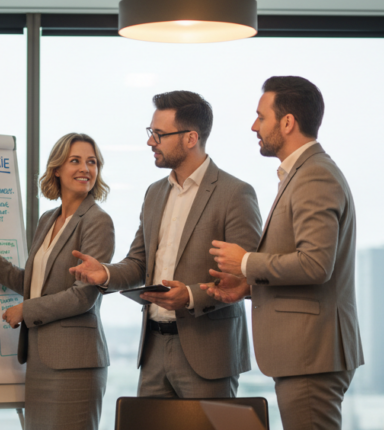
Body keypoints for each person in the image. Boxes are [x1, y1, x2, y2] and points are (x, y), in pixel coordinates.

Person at [205, 76, 363, 430]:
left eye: (261, 117)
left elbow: (314, 264)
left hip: (312, 353)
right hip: (307, 352)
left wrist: (247, 263)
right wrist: (249, 285)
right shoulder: (303, 174)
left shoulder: (314, 176)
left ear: (288, 122)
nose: (254, 126)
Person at [70, 91, 261, 398]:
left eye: (158, 134)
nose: (150, 142)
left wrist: (189, 296)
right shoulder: (154, 193)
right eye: (151, 133)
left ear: (190, 138)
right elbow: (138, 263)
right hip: (154, 350)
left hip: (209, 353)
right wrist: (103, 273)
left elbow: (244, 278)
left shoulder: (235, 193)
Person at [0, 133, 115, 430]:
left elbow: (84, 295)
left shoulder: (98, 222)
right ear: (56, 169)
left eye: (92, 162)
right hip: (42, 362)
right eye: (75, 161)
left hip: (75, 364)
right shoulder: (48, 220)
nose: (85, 168)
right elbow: (33, 283)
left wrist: (25, 311)